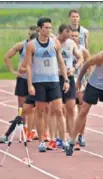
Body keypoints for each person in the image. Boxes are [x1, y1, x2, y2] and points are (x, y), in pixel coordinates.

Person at [22, 17, 70, 152]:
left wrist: (65, 79)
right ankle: (42, 141)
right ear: (39, 29)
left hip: (54, 81)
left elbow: (61, 61)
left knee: (59, 110)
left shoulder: (55, 43)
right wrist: (30, 84)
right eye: (46, 28)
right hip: (39, 82)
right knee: (40, 111)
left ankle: (63, 140)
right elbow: (28, 66)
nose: (49, 30)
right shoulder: (31, 45)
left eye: (50, 28)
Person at [46, 24, 84, 151]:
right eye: (68, 32)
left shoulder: (71, 44)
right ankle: (53, 139)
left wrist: (75, 68)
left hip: (69, 77)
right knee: (54, 109)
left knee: (71, 109)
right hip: (55, 78)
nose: (70, 35)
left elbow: (80, 58)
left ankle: (71, 138)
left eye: (71, 33)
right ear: (61, 32)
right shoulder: (52, 42)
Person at [0, 31, 39, 144]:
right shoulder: (21, 46)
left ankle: (33, 131)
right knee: (22, 108)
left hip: (37, 81)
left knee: (36, 108)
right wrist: (13, 71)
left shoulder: (41, 49)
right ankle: (23, 130)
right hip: (23, 80)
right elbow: (7, 56)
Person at [71, 28, 92, 148]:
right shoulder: (66, 48)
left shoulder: (83, 51)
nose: (74, 38)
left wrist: (87, 79)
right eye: (72, 35)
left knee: (82, 110)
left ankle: (81, 134)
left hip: (80, 84)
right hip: (68, 81)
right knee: (66, 109)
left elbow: (90, 65)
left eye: (76, 36)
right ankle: (68, 135)